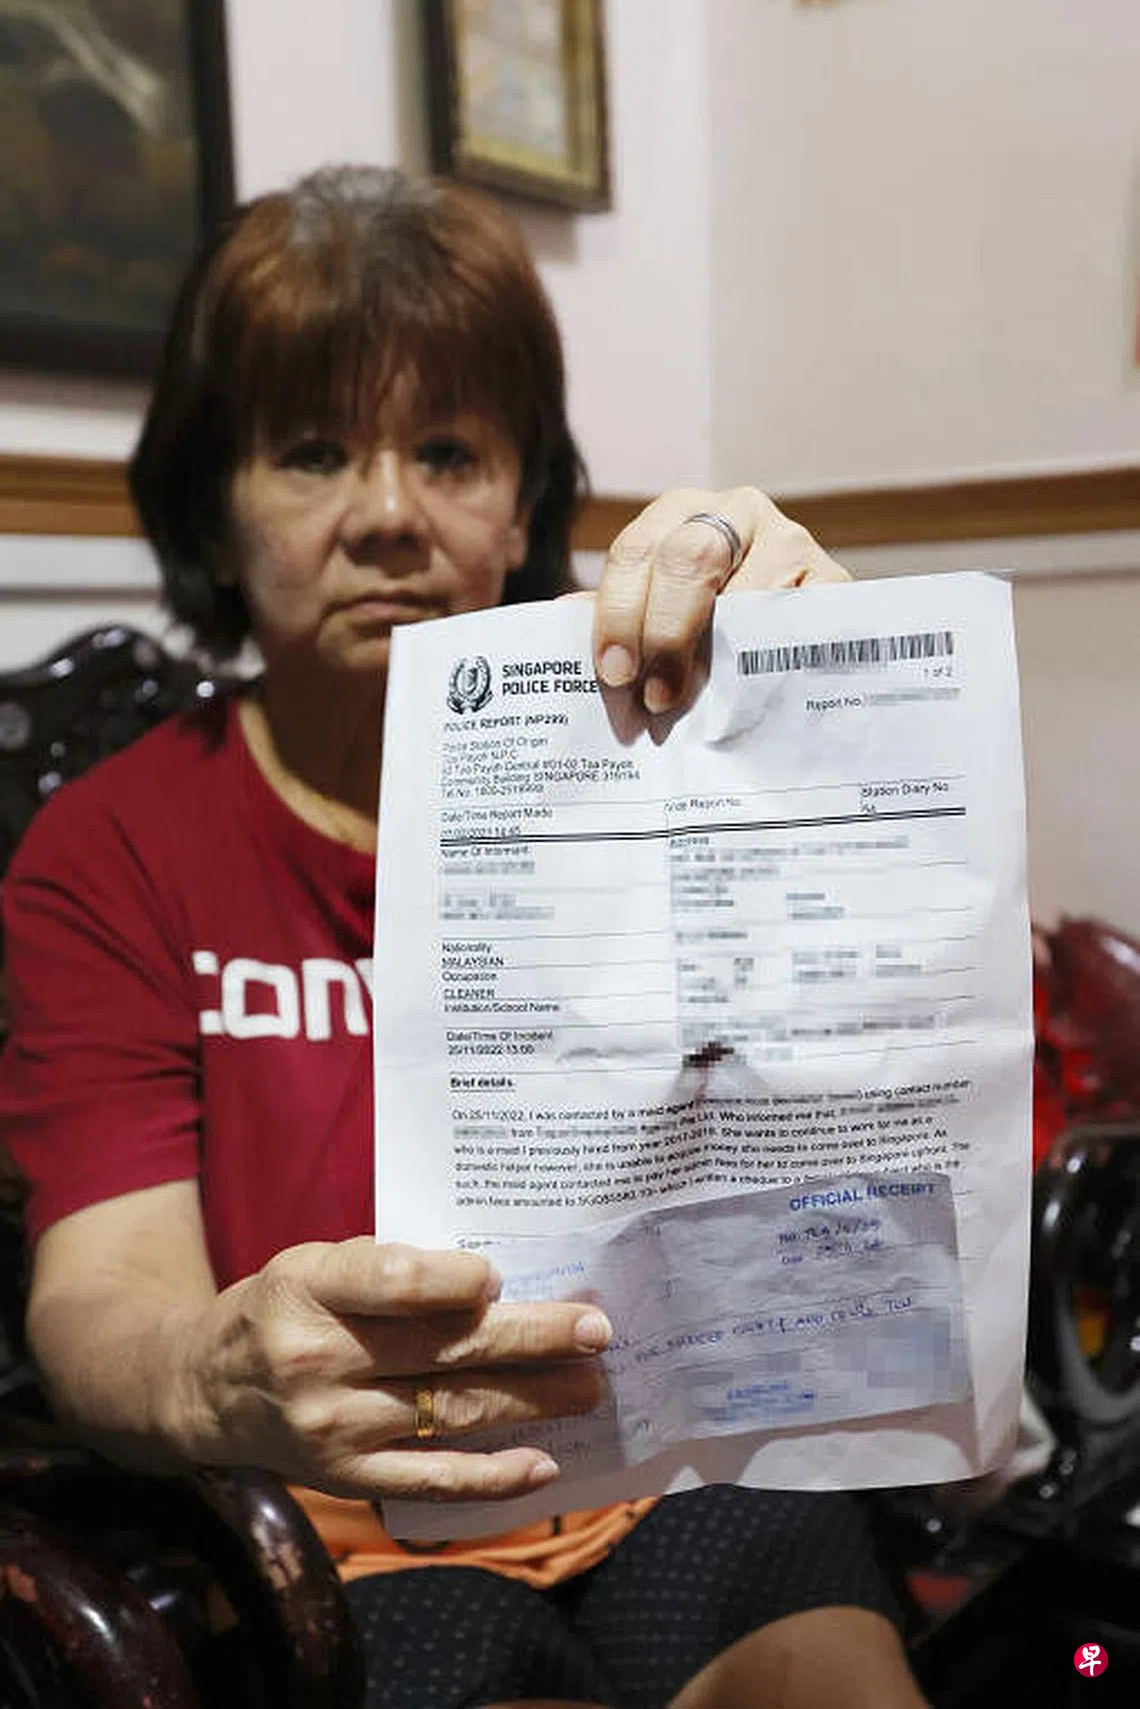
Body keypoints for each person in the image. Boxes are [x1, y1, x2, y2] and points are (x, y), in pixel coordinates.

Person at [0, 166, 928, 1709]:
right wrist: (217, 1368)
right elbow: (105, 1285)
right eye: (311, 453)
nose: (388, 516)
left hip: (669, 1470)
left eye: (448, 453)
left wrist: (819, 704)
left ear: (522, 507)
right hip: (344, 1540)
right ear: (214, 512)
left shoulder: (650, 768)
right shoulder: (115, 847)